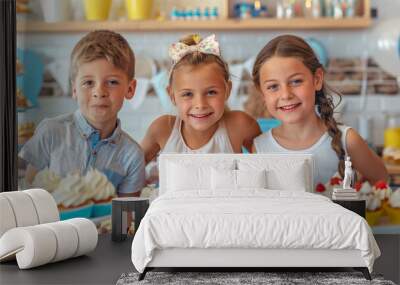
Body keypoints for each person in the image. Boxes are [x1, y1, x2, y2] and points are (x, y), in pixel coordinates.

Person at [19, 30, 145, 197]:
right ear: (74, 89)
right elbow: (27, 196)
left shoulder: (132, 156)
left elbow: (126, 219)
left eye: (112, 82)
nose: (99, 92)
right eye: (88, 82)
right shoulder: (50, 132)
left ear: (130, 89)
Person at [251, 34, 387, 187]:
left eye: (296, 81)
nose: (286, 95)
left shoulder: (347, 140)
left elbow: (381, 184)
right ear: (262, 92)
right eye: (273, 86)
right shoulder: (260, 148)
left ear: (317, 79)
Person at [141, 34, 261, 164]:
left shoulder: (240, 125)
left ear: (227, 90)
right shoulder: (163, 129)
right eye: (187, 94)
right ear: (172, 96)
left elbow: (270, 164)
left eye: (211, 92)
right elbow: (131, 169)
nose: (200, 105)